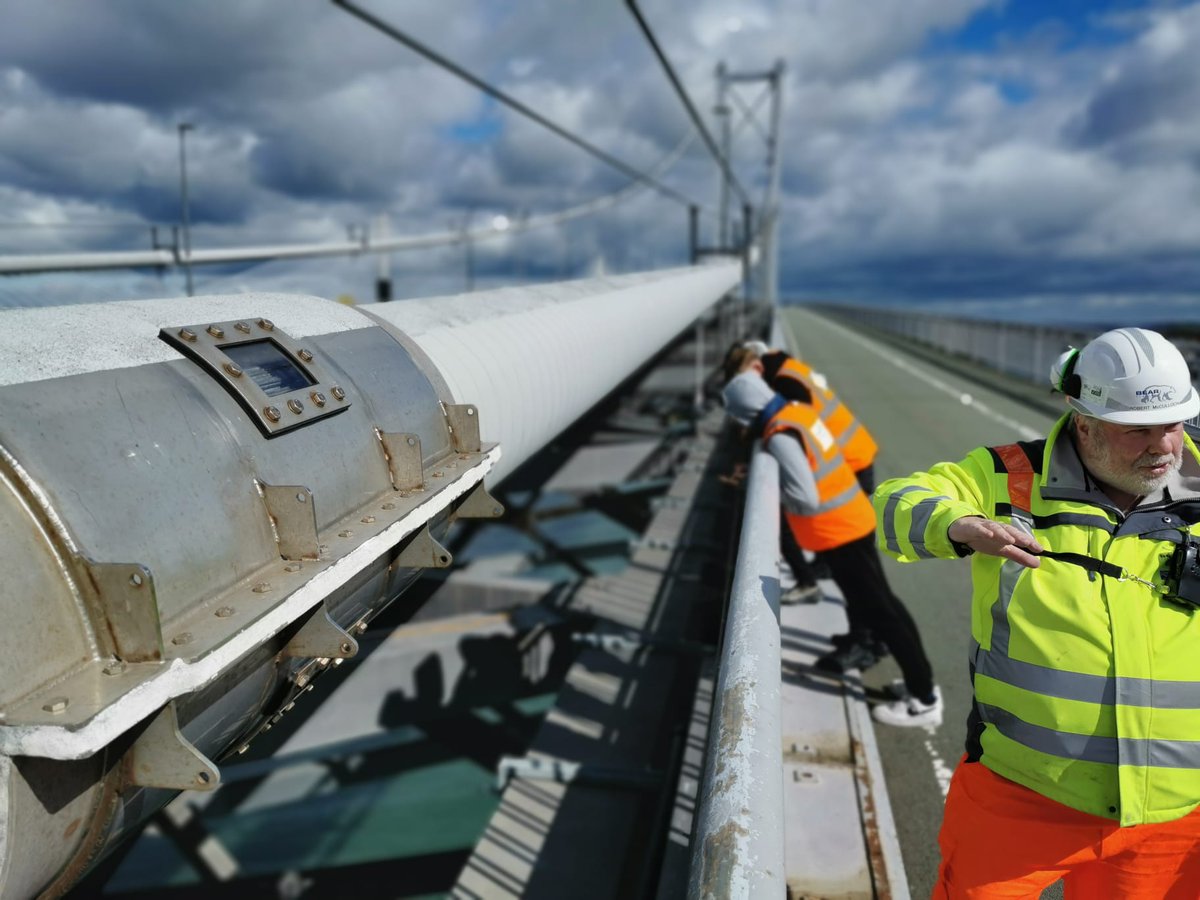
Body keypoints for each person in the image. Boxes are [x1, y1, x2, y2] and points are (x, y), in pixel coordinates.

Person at [874, 326, 1200, 896]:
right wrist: (957, 525)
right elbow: (895, 503)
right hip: (1020, 797)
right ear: (1083, 422)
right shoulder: (1006, 478)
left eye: (1173, 423)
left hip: (1174, 813)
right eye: (1137, 430)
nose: (1163, 447)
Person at [722, 363, 941, 727]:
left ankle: (925, 698)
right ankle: (921, 684)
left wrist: (775, 498)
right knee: (885, 606)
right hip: (850, 519)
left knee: (883, 612)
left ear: (746, 412)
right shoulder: (799, 412)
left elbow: (805, 498)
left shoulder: (779, 435)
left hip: (838, 531)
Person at [724, 341, 886, 661]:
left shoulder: (786, 383)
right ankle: (864, 635)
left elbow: (796, 433)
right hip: (850, 457)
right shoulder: (788, 369)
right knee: (855, 573)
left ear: (756, 368)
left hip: (845, 467)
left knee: (859, 574)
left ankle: (867, 640)